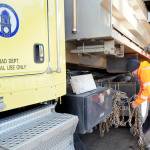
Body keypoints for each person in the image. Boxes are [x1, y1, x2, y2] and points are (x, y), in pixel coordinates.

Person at [127, 59, 150, 149]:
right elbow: (143, 89)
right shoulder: (142, 71)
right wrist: (138, 96)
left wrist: (136, 103)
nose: (132, 74)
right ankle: (141, 135)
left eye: (132, 72)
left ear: (135, 69)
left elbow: (147, 91)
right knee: (149, 118)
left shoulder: (144, 71)